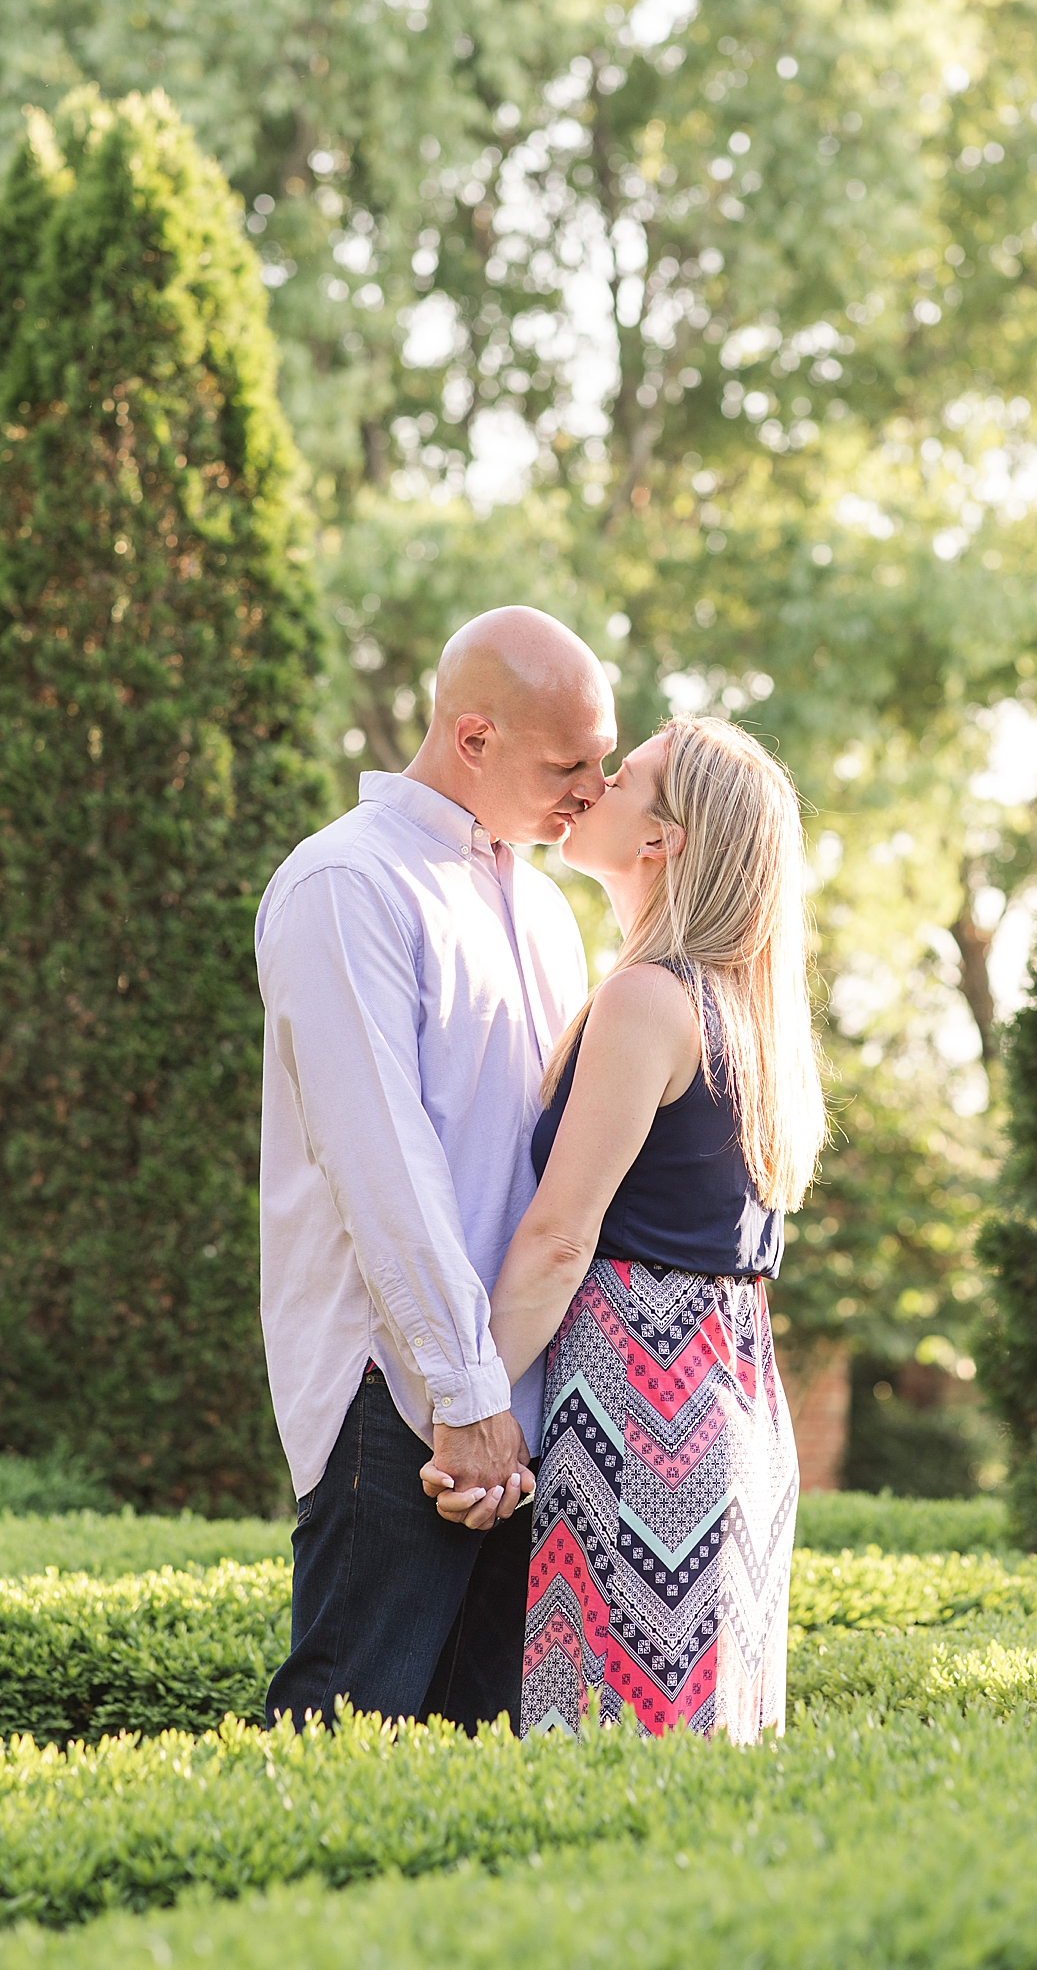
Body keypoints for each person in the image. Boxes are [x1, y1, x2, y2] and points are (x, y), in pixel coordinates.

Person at [422, 715, 826, 1744]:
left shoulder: (649, 998)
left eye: (627, 774)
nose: (594, 779)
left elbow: (561, 1236)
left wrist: (468, 1410)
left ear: (665, 839)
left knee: (606, 1743)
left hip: (641, 1403)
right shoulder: (738, 1010)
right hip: (723, 1391)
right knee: (692, 1746)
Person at [255, 605, 616, 1732]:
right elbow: (384, 1167)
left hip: (527, 1403)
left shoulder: (549, 913)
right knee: (346, 1736)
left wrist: (520, 1397)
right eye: (569, 765)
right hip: (397, 1397)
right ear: (473, 737)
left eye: (606, 761)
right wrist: (461, 1399)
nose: (594, 792)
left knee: (480, 1760)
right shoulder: (346, 885)